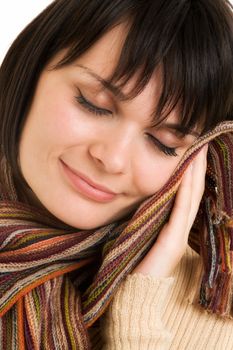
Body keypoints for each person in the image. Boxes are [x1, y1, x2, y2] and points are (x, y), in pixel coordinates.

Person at [0, 0, 232, 349]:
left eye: (162, 143)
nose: (112, 159)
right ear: (33, 67)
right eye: (93, 104)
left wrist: (139, 313)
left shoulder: (211, 316)